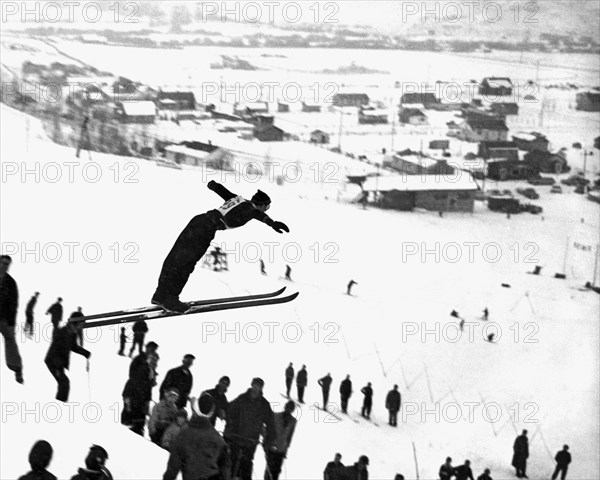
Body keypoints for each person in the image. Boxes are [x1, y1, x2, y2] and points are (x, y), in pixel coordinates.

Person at [152, 181, 289, 313]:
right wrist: (272, 223)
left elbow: (223, 191)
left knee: (175, 258)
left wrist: (213, 185)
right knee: (186, 263)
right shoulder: (252, 209)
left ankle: (161, 294)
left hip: (198, 221)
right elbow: (260, 215)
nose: (266, 209)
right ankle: (170, 299)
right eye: (267, 206)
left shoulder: (239, 200)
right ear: (261, 204)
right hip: (205, 229)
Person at [163, 393, 231, 480]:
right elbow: (225, 470)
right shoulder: (218, 439)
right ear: (211, 412)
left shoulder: (184, 435)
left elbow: (172, 469)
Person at [224, 378, 275, 480]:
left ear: (261, 388)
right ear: (251, 385)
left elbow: (271, 424)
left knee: (246, 468)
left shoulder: (264, 404)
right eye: (255, 385)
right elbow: (229, 411)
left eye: (259, 386)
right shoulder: (242, 398)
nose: (256, 388)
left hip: (250, 443)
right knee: (231, 467)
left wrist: (268, 441)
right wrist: (229, 428)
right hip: (236, 440)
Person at [44, 321, 91, 402]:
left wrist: (85, 353)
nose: (80, 328)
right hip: (52, 361)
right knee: (64, 382)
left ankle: (61, 402)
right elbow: (55, 350)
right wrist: (58, 368)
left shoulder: (72, 334)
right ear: (73, 324)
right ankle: (60, 404)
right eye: (79, 325)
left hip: (59, 362)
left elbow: (74, 347)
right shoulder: (61, 332)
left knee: (64, 383)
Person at [121, 341, 159, 436]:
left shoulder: (152, 365)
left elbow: (149, 380)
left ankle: (138, 433)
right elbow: (133, 376)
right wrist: (147, 379)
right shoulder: (139, 359)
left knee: (140, 417)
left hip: (143, 395)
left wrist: (152, 379)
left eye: (154, 349)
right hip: (133, 393)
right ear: (146, 348)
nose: (152, 351)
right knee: (130, 415)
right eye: (151, 348)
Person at [0, 255, 24, 384]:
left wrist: (11, 322)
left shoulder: (11, 283)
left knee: (10, 340)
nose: (5, 266)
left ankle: (17, 369)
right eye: (3, 263)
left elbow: (14, 304)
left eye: (7, 264)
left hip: (4, 319)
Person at [264, 400, 297, 480]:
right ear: (285, 407)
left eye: (290, 408)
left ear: (292, 410)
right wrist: (266, 443)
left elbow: (290, 436)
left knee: (277, 471)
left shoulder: (293, 421)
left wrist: (286, 449)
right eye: (287, 407)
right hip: (272, 447)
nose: (288, 409)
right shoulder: (275, 416)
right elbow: (268, 430)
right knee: (269, 470)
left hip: (281, 449)